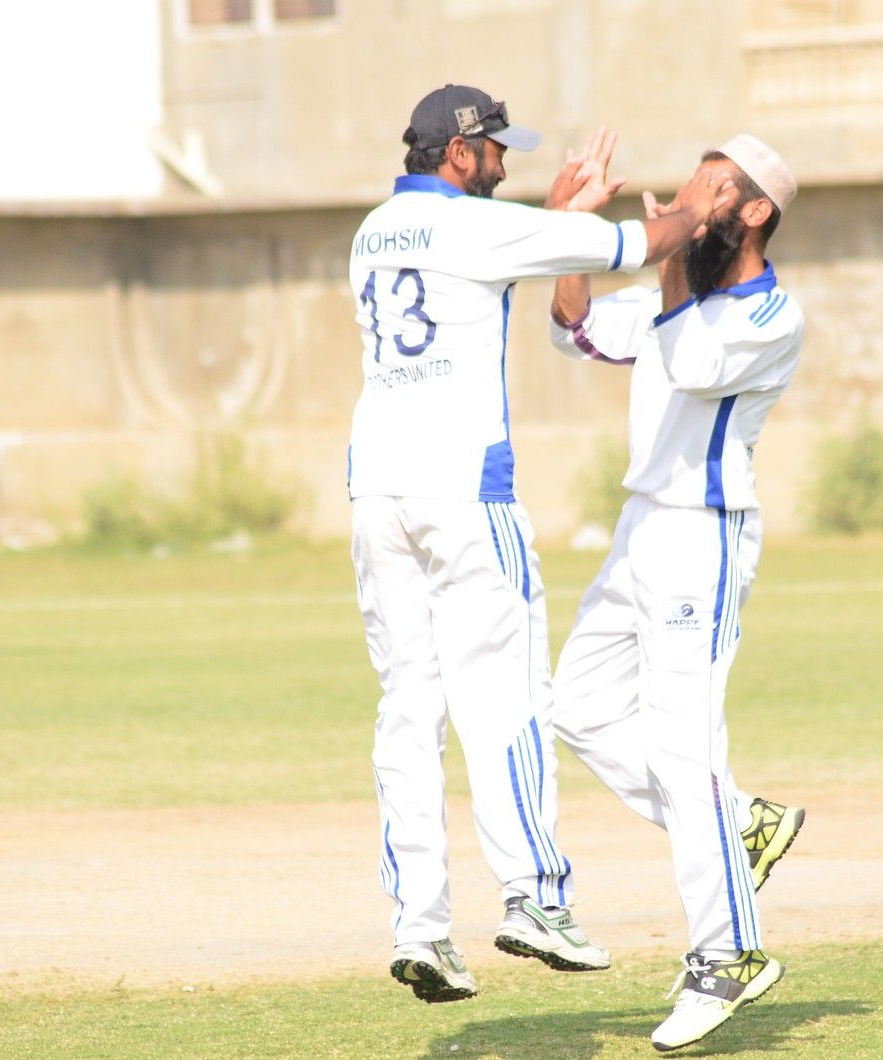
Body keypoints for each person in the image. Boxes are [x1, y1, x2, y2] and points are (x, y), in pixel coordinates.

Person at [347, 84, 736, 1004]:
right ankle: (535, 898)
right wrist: (701, 208)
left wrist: (559, 212)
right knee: (509, 699)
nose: (503, 162)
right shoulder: (477, 229)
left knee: (408, 712)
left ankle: (420, 927)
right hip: (464, 494)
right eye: (494, 150)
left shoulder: (371, 231)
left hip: (377, 494)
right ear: (458, 153)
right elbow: (638, 248)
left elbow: (505, 254)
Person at [546, 134, 807, 1051]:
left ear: (754, 212)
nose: (689, 204)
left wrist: (663, 260)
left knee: (682, 748)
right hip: (641, 530)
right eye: (688, 190)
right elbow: (576, 328)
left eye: (710, 194)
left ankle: (728, 954)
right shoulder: (681, 287)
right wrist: (571, 228)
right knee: (575, 708)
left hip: (704, 536)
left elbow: (692, 364)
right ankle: (739, 824)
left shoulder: (771, 314)